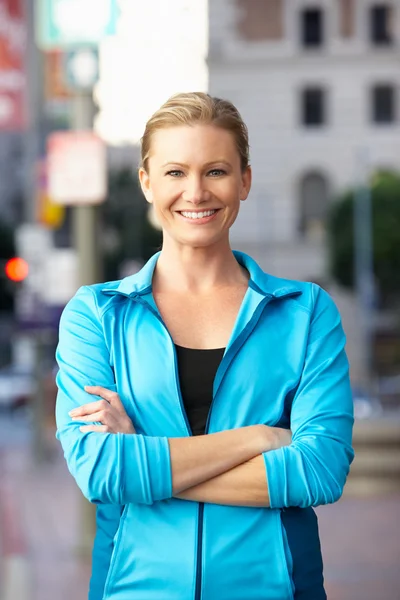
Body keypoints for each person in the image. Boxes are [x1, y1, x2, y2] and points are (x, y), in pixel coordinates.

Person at [55, 92, 354, 600]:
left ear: (245, 181)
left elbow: (318, 471)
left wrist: (143, 464)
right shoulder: (97, 316)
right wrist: (257, 439)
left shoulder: (305, 312)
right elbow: (101, 470)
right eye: (175, 173)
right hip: (133, 589)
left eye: (215, 171)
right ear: (147, 183)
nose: (195, 192)